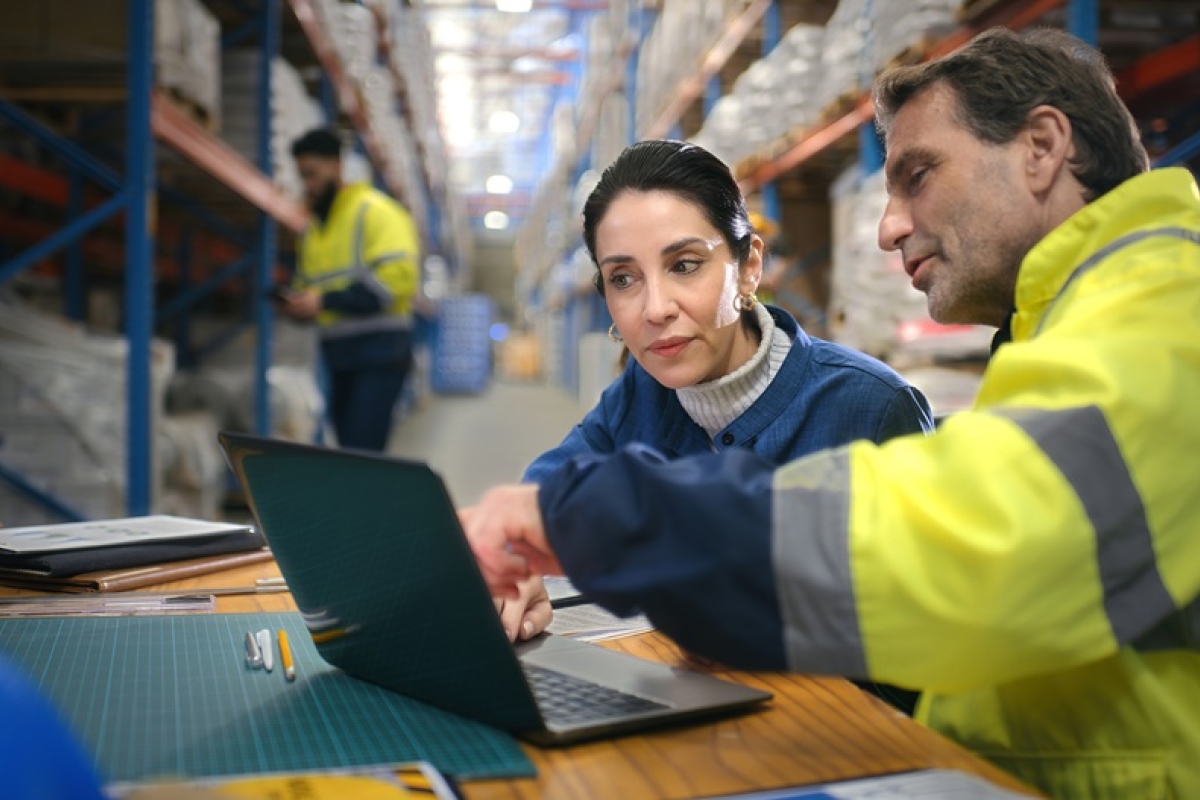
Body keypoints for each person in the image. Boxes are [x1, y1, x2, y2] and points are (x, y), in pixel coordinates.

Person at [465, 27, 1200, 799]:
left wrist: (609, 521)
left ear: (1043, 147)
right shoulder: (1067, 323)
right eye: (622, 279)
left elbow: (974, 542)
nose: (887, 227)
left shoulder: (1168, 315)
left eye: (918, 175)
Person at [497, 140, 934, 713]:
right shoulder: (643, 394)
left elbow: (915, 655)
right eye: (624, 278)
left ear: (749, 265)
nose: (655, 308)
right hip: (694, 706)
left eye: (684, 266)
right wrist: (514, 563)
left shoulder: (868, 408)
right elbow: (547, 491)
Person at [279, 128, 420, 452]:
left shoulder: (376, 210)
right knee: (348, 449)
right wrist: (297, 302)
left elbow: (398, 279)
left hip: (380, 352)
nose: (308, 185)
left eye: (313, 174)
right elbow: (310, 285)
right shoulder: (316, 229)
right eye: (302, 176)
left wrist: (325, 300)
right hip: (339, 355)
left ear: (336, 166)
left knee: (361, 452)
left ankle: (371, 504)